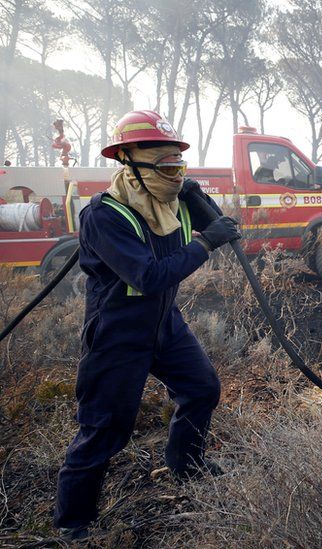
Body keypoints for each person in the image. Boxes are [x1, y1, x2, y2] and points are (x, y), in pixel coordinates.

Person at [54, 110, 241, 540]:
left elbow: (227, 234)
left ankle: (186, 467)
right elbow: (150, 276)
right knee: (105, 428)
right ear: (129, 162)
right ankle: (73, 523)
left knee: (201, 388)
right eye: (165, 166)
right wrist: (204, 244)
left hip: (163, 323)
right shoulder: (105, 216)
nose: (175, 175)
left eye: (179, 165)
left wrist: (197, 199)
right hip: (118, 332)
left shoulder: (171, 202)